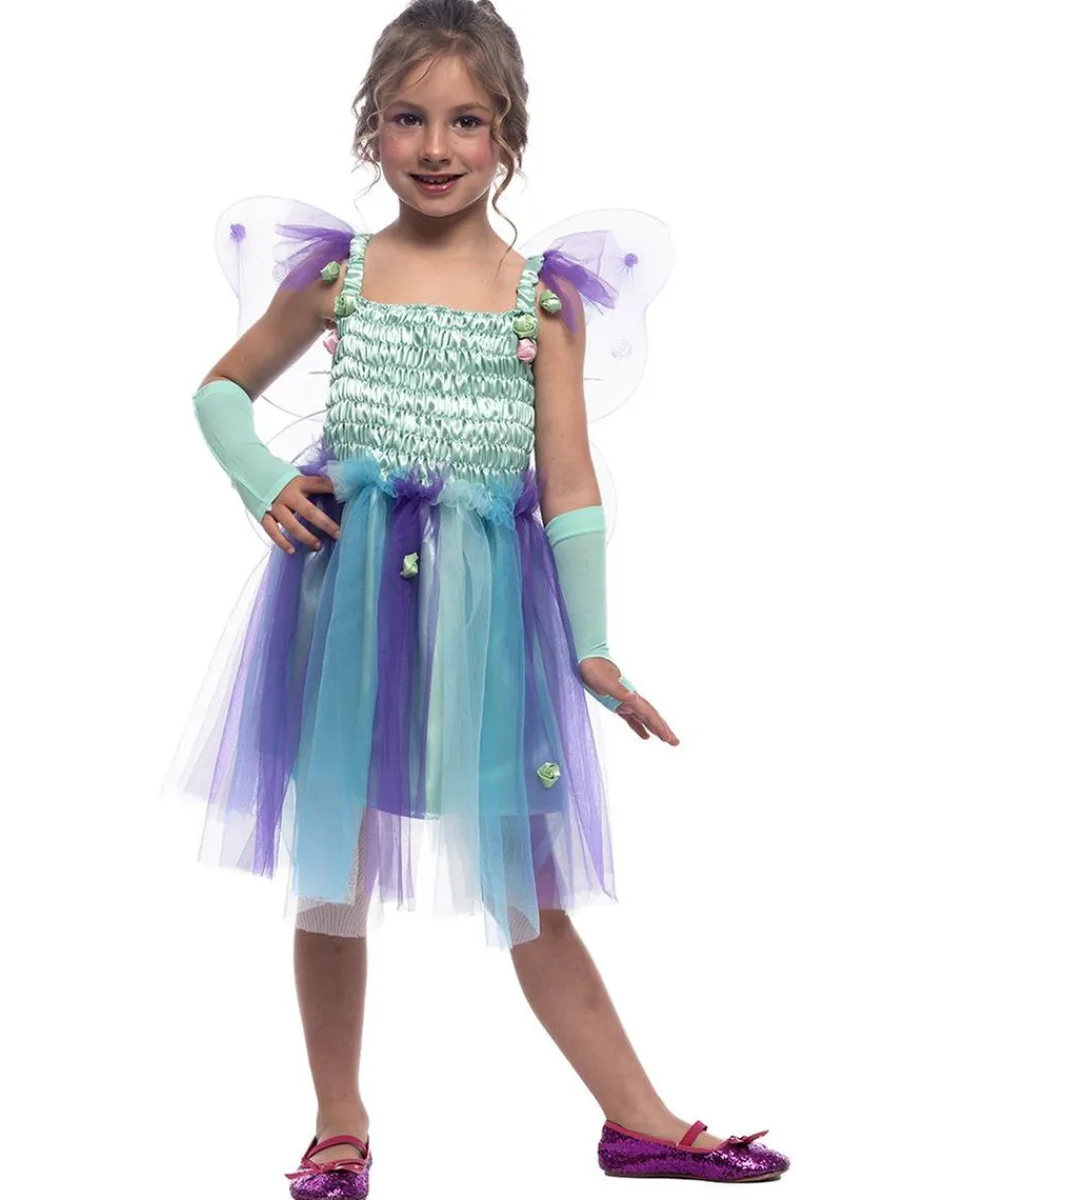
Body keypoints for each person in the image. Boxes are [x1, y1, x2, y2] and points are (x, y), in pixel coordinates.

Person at [167, 1, 790, 1191]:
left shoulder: (537, 301)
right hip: (347, 614)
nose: (437, 146)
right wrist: (263, 481)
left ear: (509, 136)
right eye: (408, 119)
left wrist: (594, 647)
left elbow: (571, 483)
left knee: (530, 881)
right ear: (371, 131)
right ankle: (338, 1122)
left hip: (487, 624)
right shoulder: (342, 278)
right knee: (334, 872)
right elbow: (218, 392)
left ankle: (638, 1120)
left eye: (467, 121)